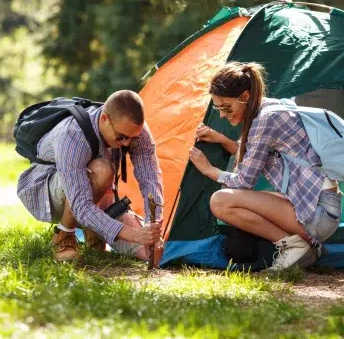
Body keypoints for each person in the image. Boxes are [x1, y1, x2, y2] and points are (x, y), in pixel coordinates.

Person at [188, 62, 342, 271]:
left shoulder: (265, 120)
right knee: (247, 197)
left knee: (220, 201)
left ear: (244, 96)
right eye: (218, 108)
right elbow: (257, 155)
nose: (222, 114)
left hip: (318, 213)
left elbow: (245, 180)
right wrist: (224, 141)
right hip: (323, 207)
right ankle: (305, 246)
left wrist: (209, 170)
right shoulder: (272, 107)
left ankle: (293, 246)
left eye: (226, 107)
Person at [17, 90, 164, 264]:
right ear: (104, 119)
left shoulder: (135, 132)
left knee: (154, 256)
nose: (127, 144)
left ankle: (93, 230)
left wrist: (151, 225)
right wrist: (134, 235)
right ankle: (64, 236)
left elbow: (150, 179)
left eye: (133, 138)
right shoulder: (72, 135)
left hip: (97, 196)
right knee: (101, 170)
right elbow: (81, 206)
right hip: (52, 190)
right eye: (122, 137)